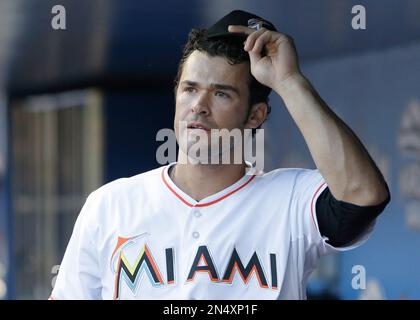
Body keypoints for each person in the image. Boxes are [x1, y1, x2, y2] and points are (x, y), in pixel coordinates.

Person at [50, 10, 390, 300]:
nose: (198, 106)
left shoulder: (290, 202)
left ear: (256, 115)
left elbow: (363, 195)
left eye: (221, 94)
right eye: (190, 89)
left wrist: (288, 81)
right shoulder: (110, 205)